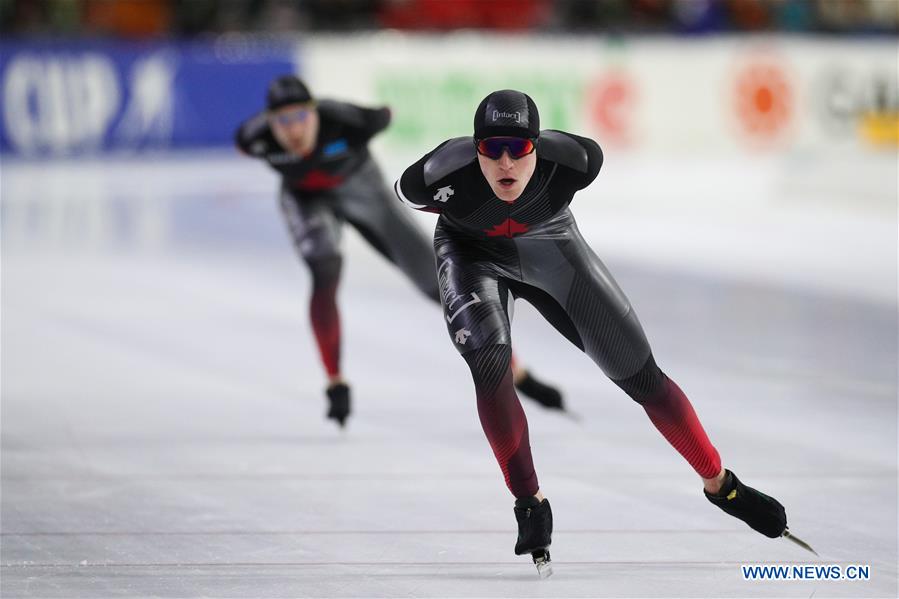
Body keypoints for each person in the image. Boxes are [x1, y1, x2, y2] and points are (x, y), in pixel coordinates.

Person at [395, 89, 808, 576]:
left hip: (552, 246)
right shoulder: (438, 173)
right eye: (492, 149)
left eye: (519, 148)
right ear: (474, 148)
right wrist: (466, 220)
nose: (506, 163)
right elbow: (406, 193)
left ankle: (722, 484)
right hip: (470, 255)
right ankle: (529, 501)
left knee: (643, 377)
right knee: (490, 368)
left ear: (536, 147)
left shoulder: (575, 161)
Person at [235, 76, 565, 428]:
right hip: (305, 198)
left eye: (301, 117)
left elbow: (385, 115)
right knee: (324, 266)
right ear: (269, 123)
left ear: (316, 113)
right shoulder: (254, 138)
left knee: (442, 285)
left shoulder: (347, 121)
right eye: (283, 121)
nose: (293, 130)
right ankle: (335, 381)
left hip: (363, 188)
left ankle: (517, 371)